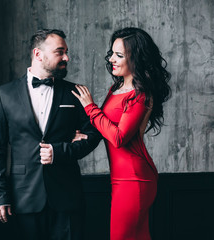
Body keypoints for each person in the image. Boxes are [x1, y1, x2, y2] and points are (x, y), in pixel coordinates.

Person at [0, 29, 101, 240]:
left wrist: (61, 151)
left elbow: (94, 134)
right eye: (60, 52)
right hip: (23, 196)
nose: (66, 58)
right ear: (38, 54)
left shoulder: (76, 92)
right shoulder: (4, 94)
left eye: (66, 52)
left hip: (67, 196)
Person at [72, 27, 171, 240]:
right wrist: (88, 136)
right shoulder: (115, 89)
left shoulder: (140, 94)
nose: (112, 60)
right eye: (112, 53)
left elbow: (119, 137)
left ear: (135, 58)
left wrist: (90, 107)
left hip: (135, 179)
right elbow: (107, 126)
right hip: (121, 178)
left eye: (119, 55)